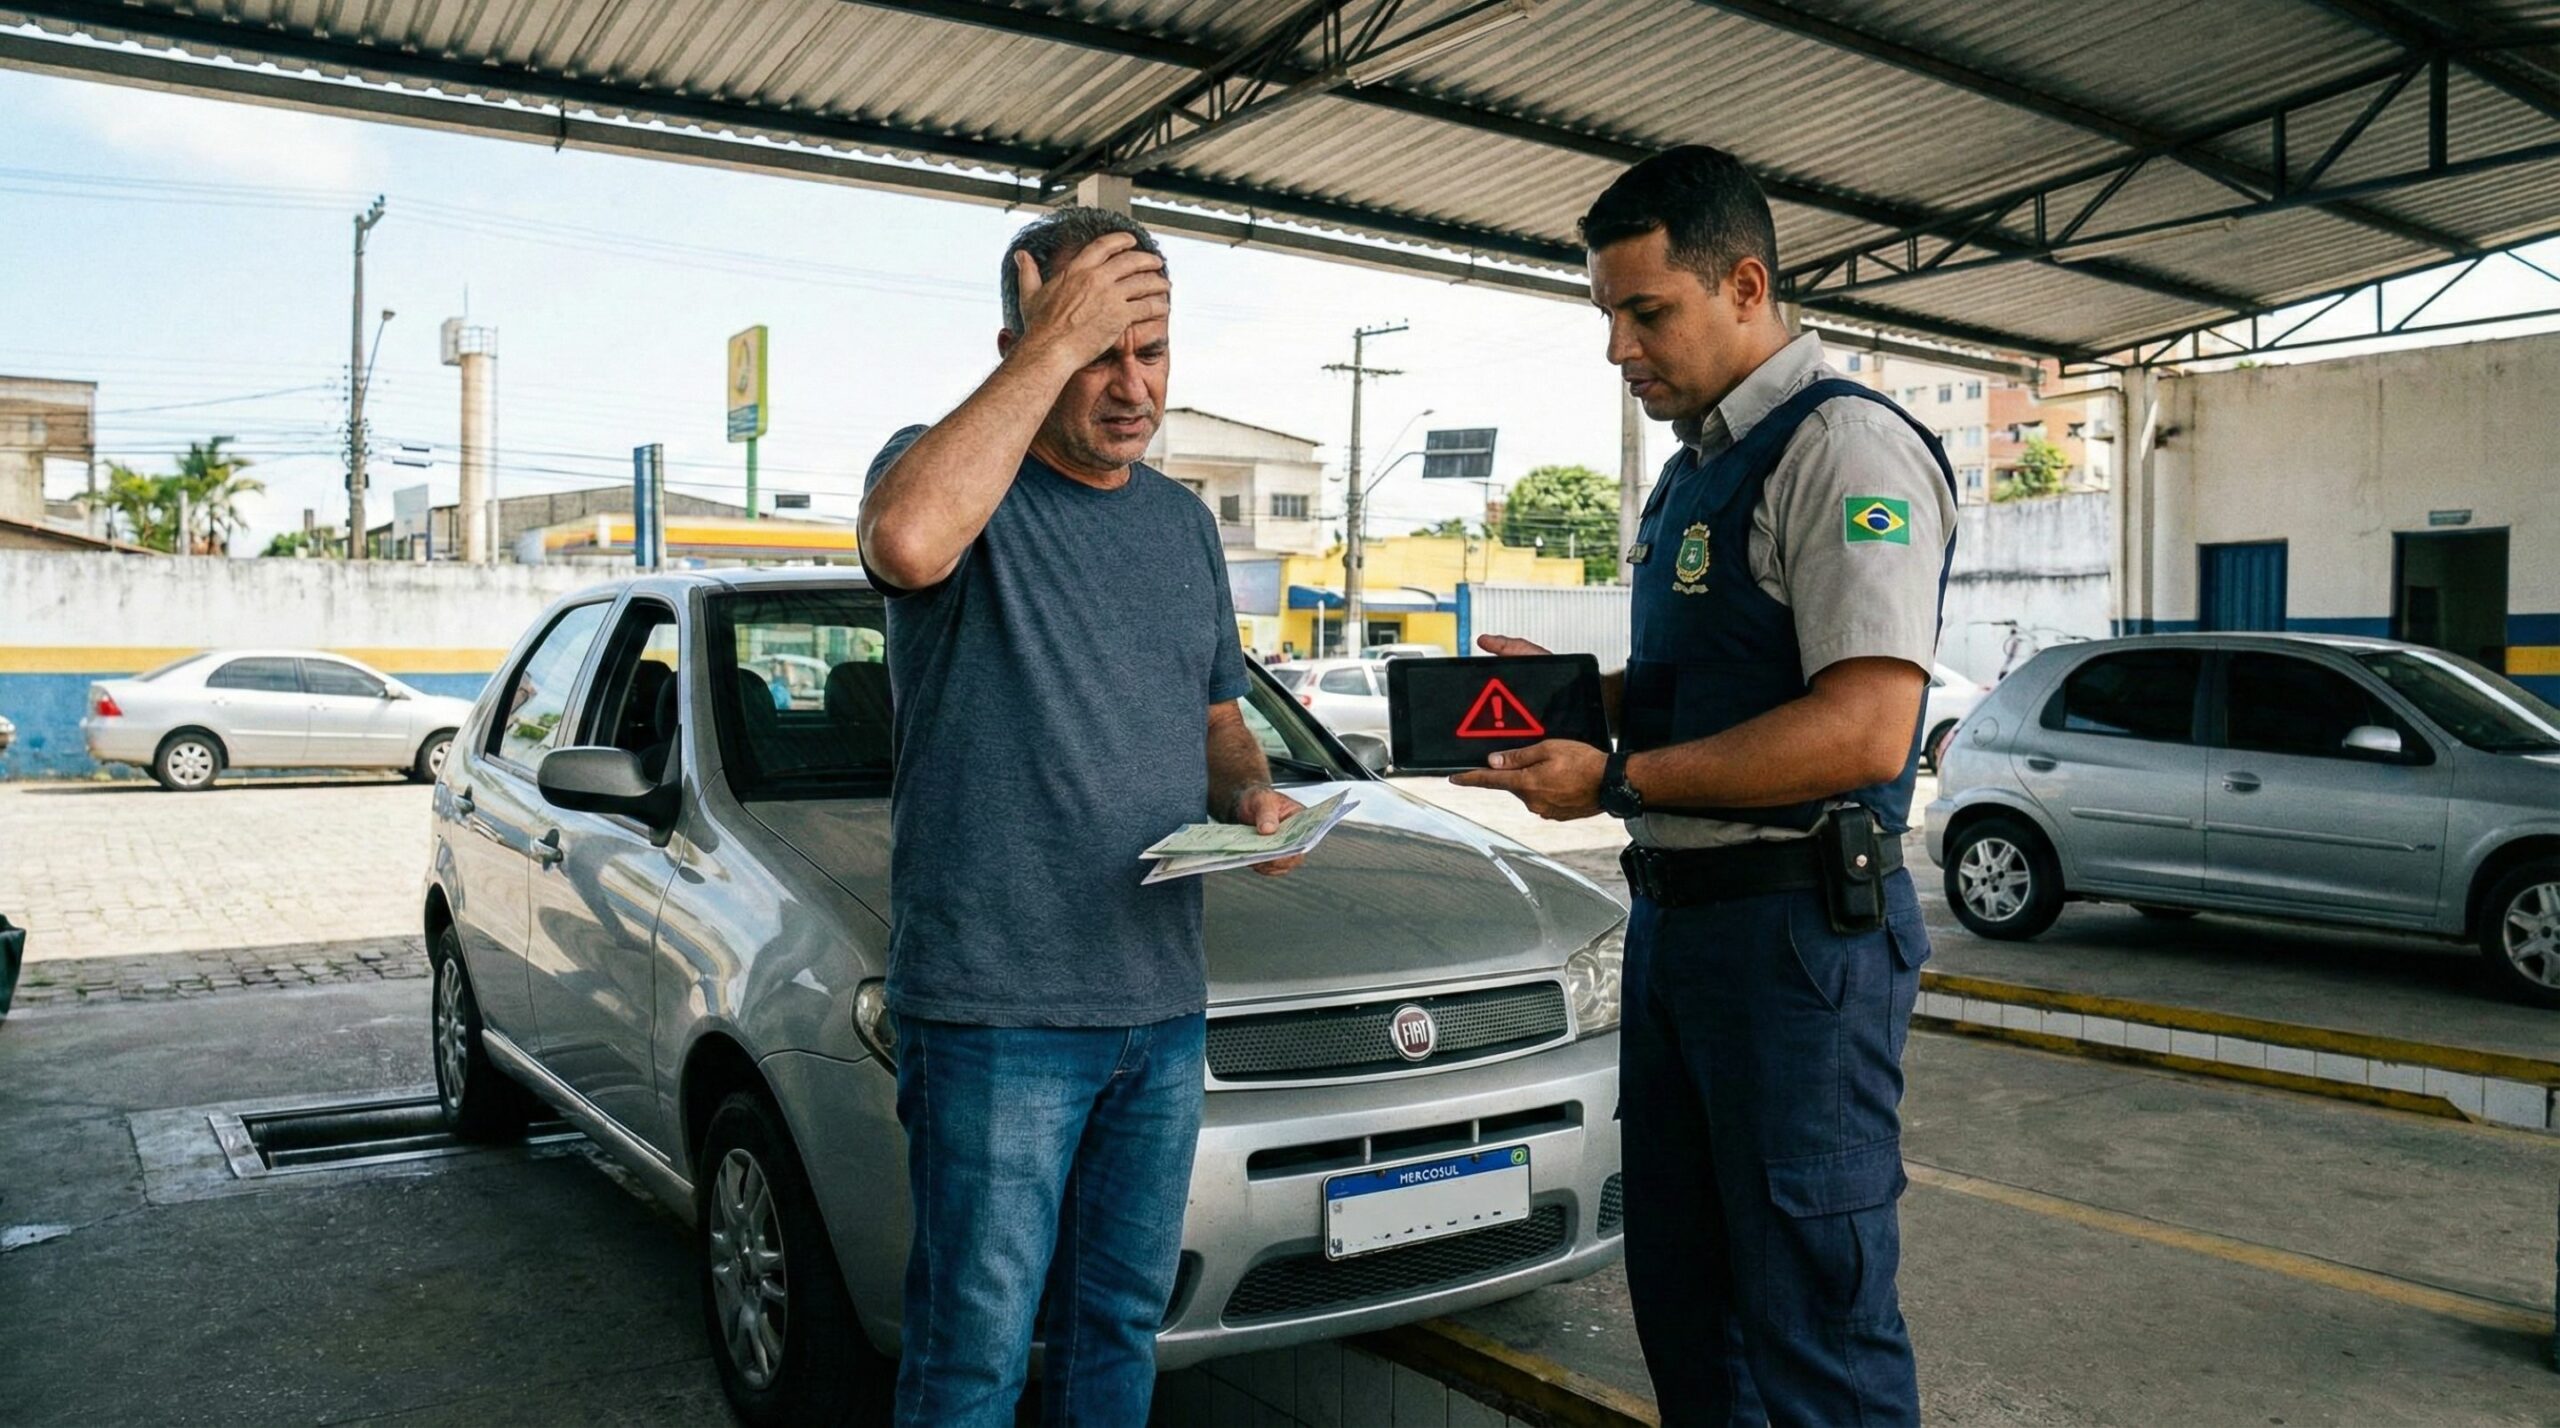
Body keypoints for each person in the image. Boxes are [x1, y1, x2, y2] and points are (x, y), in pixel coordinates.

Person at [1455, 145, 1955, 1428]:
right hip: (1684, 929)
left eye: (1645, 312)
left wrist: (1612, 775)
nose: (1619, 349)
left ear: (1744, 284)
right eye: (1606, 316)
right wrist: (1576, 699)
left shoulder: (1843, 449)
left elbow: (1861, 729)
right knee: (1688, 1300)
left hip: (1794, 940)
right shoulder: (1692, 471)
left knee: (1811, 1316)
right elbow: (1720, 681)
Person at [855, 205, 1304, 1428]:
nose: (1131, 386)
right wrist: (1042, 350)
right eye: (1097, 350)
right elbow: (904, 540)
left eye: (1150, 351)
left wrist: (1252, 793)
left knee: (1119, 1333)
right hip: (998, 1012)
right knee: (973, 1354)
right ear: (1022, 334)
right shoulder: (945, 471)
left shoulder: (1179, 525)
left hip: (1156, 1007)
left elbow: (1215, 719)